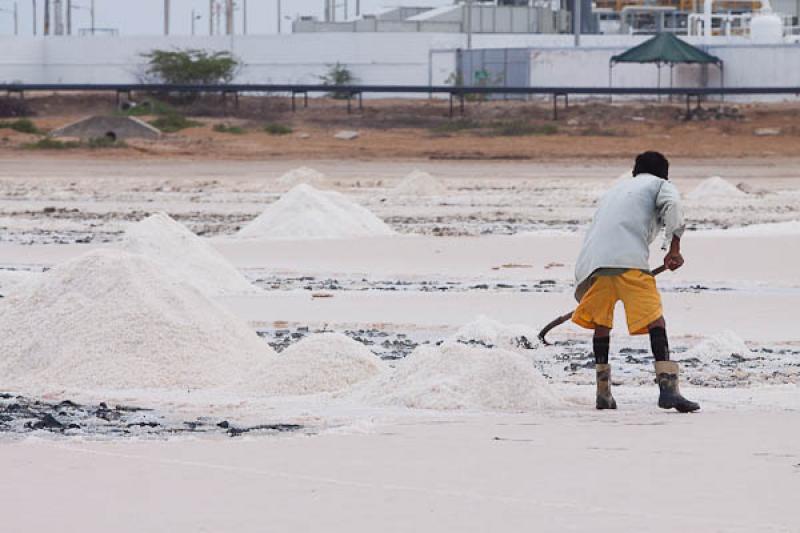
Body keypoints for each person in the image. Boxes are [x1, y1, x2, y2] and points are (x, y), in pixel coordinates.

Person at [572, 151, 699, 413]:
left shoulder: (616, 190)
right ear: (664, 173)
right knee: (656, 320)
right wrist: (674, 249)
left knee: (601, 322)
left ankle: (603, 393)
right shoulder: (660, 185)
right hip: (629, 263)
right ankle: (668, 390)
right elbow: (673, 206)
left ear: (635, 171)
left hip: (595, 263)